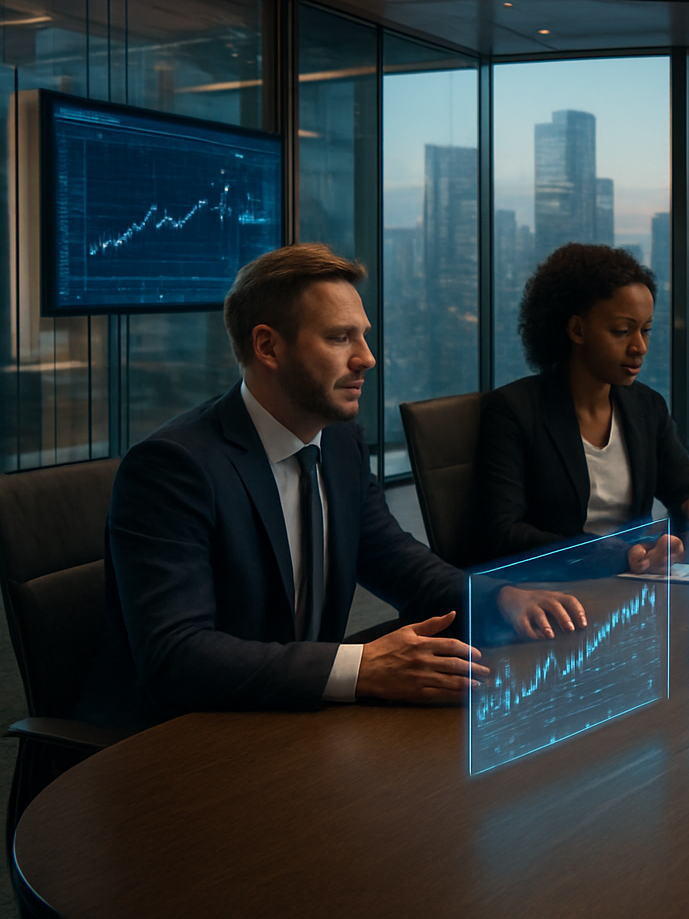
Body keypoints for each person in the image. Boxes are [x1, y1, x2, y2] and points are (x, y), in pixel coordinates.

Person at [77, 244, 586, 730]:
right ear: (267, 346)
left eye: (363, 336)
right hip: (176, 745)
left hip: (290, 722)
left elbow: (396, 559)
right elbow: (177, 658)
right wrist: (361, 668)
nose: (366, 358)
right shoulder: (173, 468)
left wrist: (498, 599)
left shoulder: (339, 441)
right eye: (341, 338)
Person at [478, 243, 689, 572]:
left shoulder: (646, 406)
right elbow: (502, 532)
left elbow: (686, 486)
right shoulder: (515, 411)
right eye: (622, 331)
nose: (640, 347)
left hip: (638, 582)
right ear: (577, 330)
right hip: (557, 590)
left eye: (645, 330)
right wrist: (614, 554)